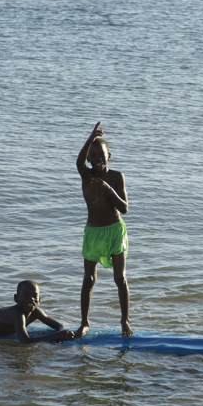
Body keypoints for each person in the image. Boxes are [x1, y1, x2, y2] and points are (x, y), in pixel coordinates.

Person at [75, 121, 133, 338]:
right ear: (89, 159)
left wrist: (109, 190)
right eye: (93, 155)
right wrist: (91, 138)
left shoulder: (117, 177)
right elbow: (78, 161)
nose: (98, 158)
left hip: (115, 231)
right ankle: (84, 323)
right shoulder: (86, 176)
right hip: (93, 233)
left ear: (109, 156)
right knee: (88, 279)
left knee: (120, 278)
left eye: (102, 155)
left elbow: (124, 208)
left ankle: (125, 322)